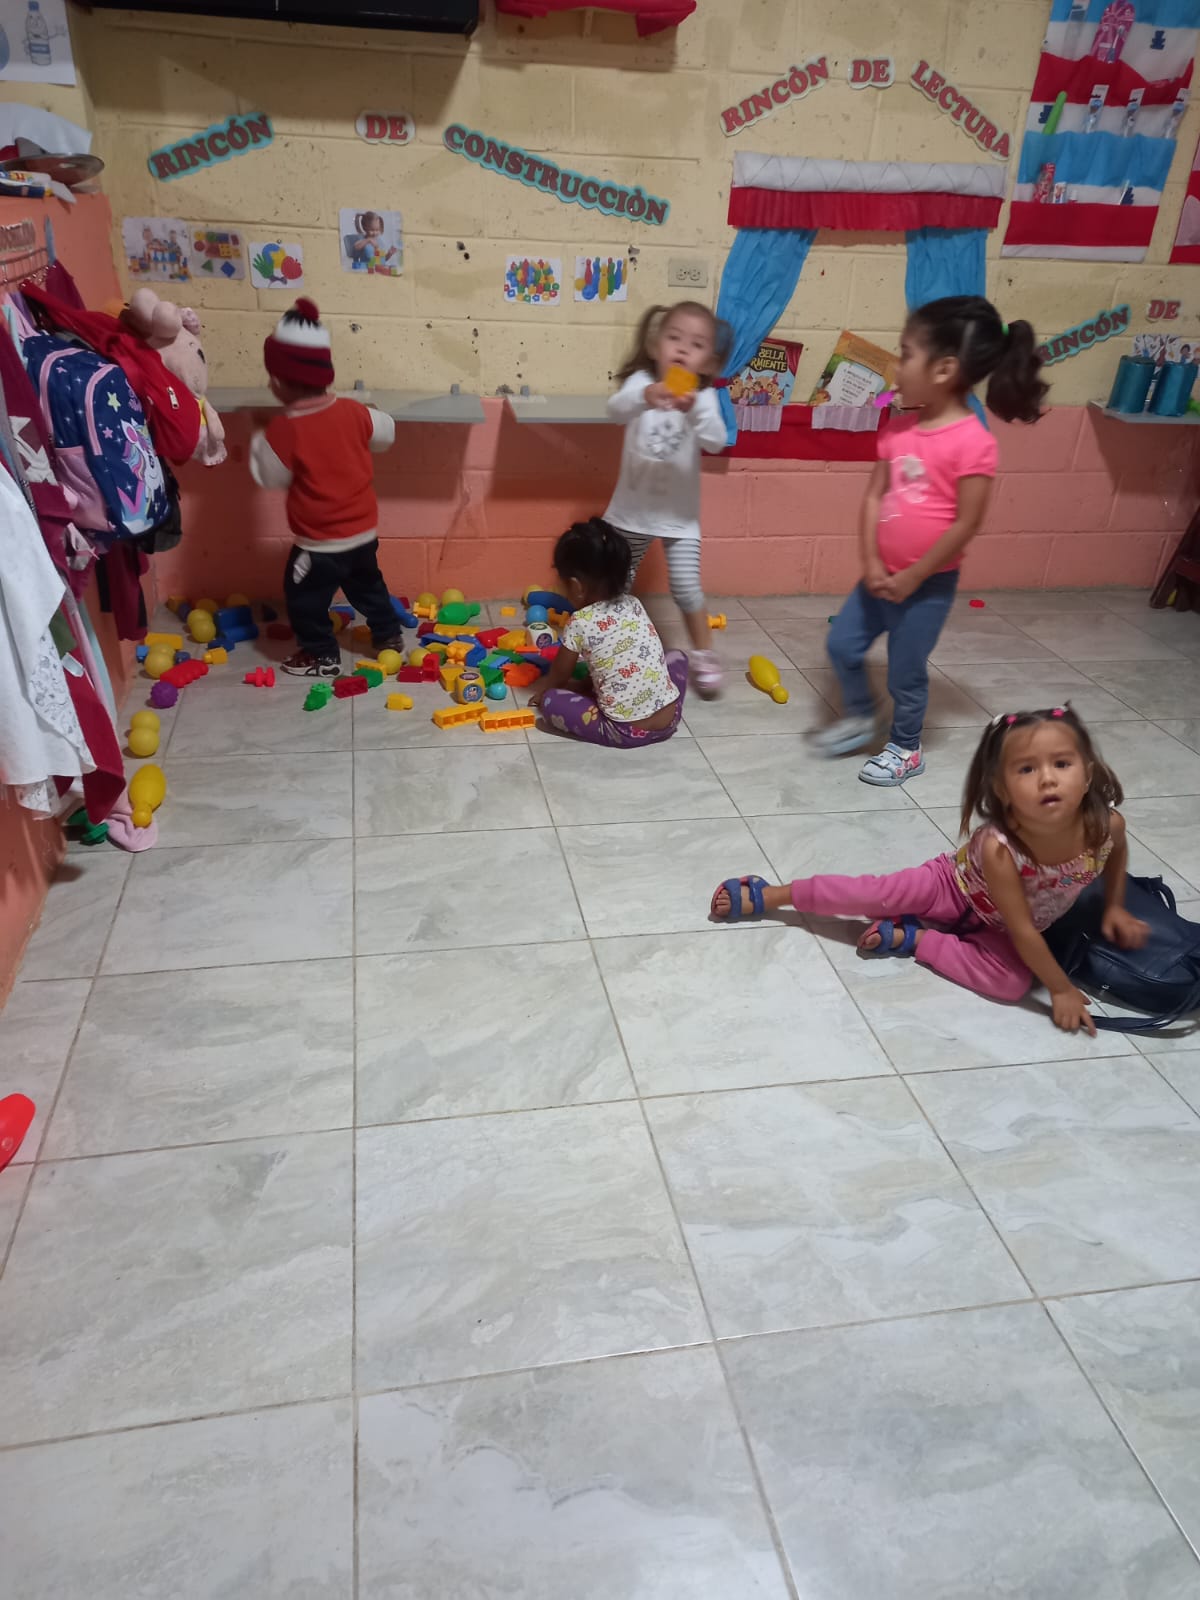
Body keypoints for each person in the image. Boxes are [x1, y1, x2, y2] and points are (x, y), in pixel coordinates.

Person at [711, 705, 1149, 1035]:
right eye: (1027, 769)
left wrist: (1114, 907)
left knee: (1011, 984)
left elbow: (1117, 856)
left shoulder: (1106, 826)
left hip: (999, 928)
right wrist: (1060, 989)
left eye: (1062, 764)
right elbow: (1023, 932)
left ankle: (916, 939)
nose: (1048, 779)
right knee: (873, 895)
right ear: (1002, 789)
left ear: (1087, 776)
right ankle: (776, 894)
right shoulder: (1001, 849)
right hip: (949, 887)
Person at [816, 295, 1049, 787]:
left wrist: (915, 575)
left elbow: (966, 523)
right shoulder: (898, 430)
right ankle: (861, 715)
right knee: (841, 644)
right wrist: (872, 561)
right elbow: (874, 497)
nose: (897, 366)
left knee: (905, 669)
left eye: (906, 354)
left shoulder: (974, 443)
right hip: (879, 577)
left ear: (944, 369)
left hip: (927, 586)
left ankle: (906, 747)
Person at [250, 297, 404, 677]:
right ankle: (388, 635)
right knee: (368, 586)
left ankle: (321, 654)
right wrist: (367, 415)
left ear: (280, 382)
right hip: (363, 535)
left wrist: (259, 438)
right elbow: (387, 432)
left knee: (304, 597)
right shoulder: (353, 412)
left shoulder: (285, 429)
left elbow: (270, 477)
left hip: (318, 545)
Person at [605, 300, 732, 697]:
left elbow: (716, 440)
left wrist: (694, 410)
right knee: (615, 586)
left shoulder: (704, 398)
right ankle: (609, 648)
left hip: (679, 519)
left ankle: (704, 655)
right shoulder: (640, 382)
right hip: (630, 515)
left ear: (708, 363)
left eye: (696, 345)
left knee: (687, 589)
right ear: (656, 345)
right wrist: (647, 394)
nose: (682, 349)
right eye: (674, 338)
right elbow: (615, 411)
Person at [528, 518, 688, 747]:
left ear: (576, 586)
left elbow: (560, 676)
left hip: (624, 731)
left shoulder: (579, 622)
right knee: (677, 657)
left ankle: (589, 703)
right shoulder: (634, 603)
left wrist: (545, 691)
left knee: (551, 701)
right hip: (669, 720)